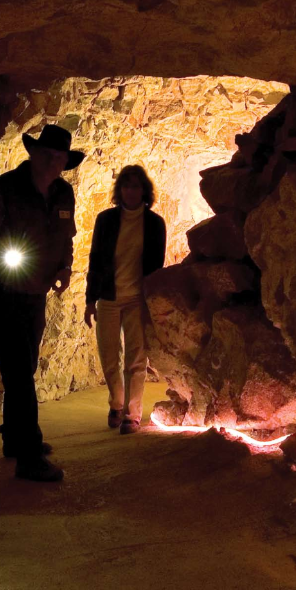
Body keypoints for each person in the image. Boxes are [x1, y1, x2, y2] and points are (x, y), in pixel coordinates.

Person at [0, 124, 82, 482]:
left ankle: (13, 437)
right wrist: (7, 255)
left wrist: (65, 267)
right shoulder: (2, 188)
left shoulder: (64, 193)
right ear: (33, 154)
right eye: (47, 155)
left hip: (36, 289)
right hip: (2, 286)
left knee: (26, 362)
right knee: (18, 368)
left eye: (60, 158)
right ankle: (29, 456)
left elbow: (68, 237)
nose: (53, 163)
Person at [84, 164, 167, 434]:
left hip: (137, 299)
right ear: (120, 190)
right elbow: (95, 260)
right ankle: (116, 403)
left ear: (144, 190)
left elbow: (157, 267)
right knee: (109, 355)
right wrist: (89, 299)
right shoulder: (105, 220)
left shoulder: (155, 224)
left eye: (136, 186)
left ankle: (132, 414)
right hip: (109, 296)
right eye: (126, 186)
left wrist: (154, 304)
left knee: (136, 358)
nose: (131, 191)